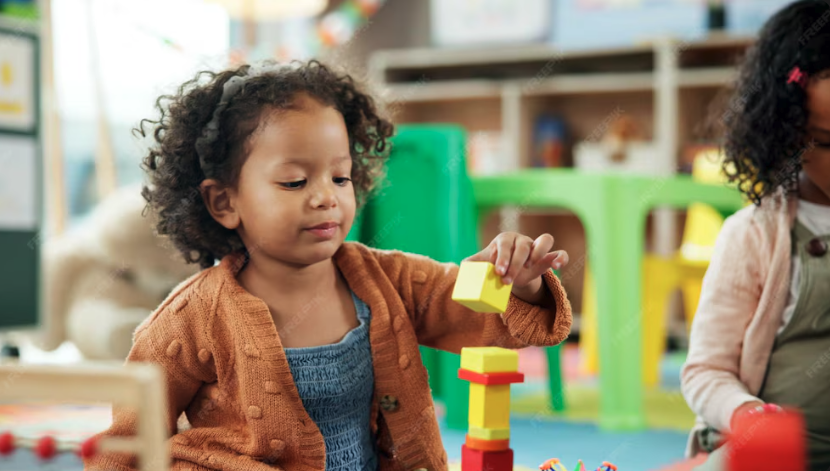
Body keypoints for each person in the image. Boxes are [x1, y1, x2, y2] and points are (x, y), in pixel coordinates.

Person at [84, 60, 573, 471]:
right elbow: (129, 441)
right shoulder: (190, 317)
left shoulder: (387, 279)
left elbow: (473, 310)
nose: (326, 198)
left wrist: (518, 283)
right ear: (223, 202)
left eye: (340, 177)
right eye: (295, 182)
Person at [682, 1, 830, 470]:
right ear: (785, 136)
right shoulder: (752, 236)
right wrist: (746, 413)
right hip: (765, 456)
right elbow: (706, 371)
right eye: (825, 142)